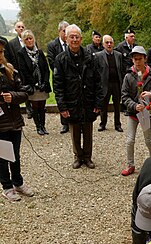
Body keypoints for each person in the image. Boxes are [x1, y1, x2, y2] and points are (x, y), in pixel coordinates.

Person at [53, 24, 103, 169]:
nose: (74, 39)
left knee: (88, 130)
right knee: (74, 131)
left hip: (88, 100)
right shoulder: (60, 59)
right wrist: (62, 106)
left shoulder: (91, 57)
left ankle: (87, 157)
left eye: (77, 37)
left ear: (81, 39)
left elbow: (98, 81)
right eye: (71, 37)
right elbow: (58, 85)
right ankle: (78, 156)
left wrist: (98, 103)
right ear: (66, 38)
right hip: (71, 101)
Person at [0, 37, 34, 201]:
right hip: (0, 124)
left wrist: (11, 97)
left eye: (1, 51)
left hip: (14, 121)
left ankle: (18, 183)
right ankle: (6, 187)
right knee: (3, 156)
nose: (0, 54)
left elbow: (24, 93)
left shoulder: (10, 70)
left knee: (15, 154)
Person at [121, 45, 151, 176]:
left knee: (148, 140)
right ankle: (130, 164)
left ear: (145, 59)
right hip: (133, 113)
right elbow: (124, 96)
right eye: (135, 59)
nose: (137, 62)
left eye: (139, 59)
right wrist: (133, 105)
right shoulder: (128, 76)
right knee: (129, 140)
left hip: (147, 113)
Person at [17, 29, 51, 136]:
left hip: (42, 84)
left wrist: (44, 82)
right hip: (32, 85)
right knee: (35, 106)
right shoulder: (21, 54)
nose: (29, 41)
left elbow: (46, 68)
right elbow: (23, 71)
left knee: (42, 106)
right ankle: (38, 126)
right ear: (23, 41)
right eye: (26, 39)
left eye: (30, 38)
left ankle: (43, 125)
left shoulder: (39, 52)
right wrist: (34, 83)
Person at [5, 21, 33, 119]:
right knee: (23, 89)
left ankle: (34, 108)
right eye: (19, 27)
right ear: (15, 29)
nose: (21, 28)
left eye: (22, 27)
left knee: (31, 88)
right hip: (17, 71)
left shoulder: (30, 40)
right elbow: (7, 58)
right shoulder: (11, 43)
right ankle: (28, 109)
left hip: (29, 71)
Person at [96, 35, 123, 132]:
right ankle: (102, 124)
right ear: (103, 44)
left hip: (116, 84)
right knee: (104, 106)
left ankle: (117, 124)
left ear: (113, 43)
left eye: (111, 42)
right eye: (107, 42)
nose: (109, 44)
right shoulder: (98, 56)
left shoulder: (118, 55)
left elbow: (121, 70)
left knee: (117, 105)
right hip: (105, 84)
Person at [47, 20, 70, 134]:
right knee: (62, 98)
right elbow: (52, 62)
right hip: (59, 77)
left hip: (72, 78)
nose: (66, 34)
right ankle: (65, 124)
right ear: (59, 31)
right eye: (64, 31)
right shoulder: (52, 45)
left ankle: (74, 122)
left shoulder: (72, 43)